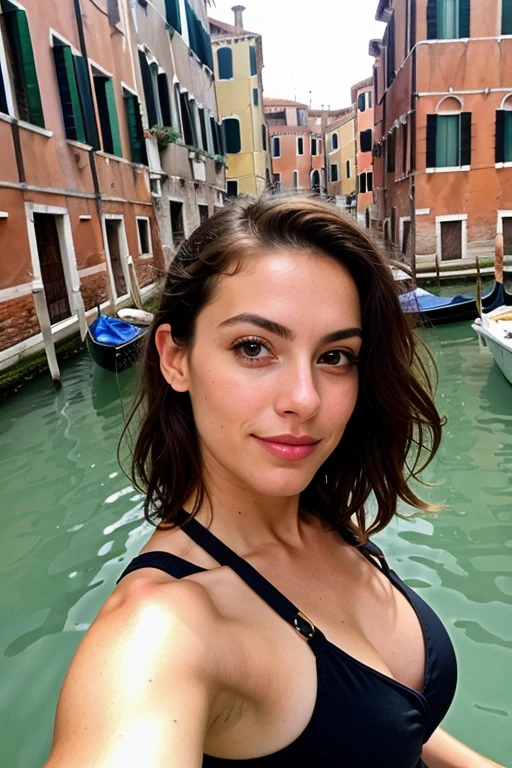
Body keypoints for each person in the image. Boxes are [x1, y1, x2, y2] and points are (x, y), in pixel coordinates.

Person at [45, 196, 506, 768]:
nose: (305, 400)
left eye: (335, 356)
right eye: (254, 348)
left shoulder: (321, 514)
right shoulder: (159, 632)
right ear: (175, 359)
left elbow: (391, 724)